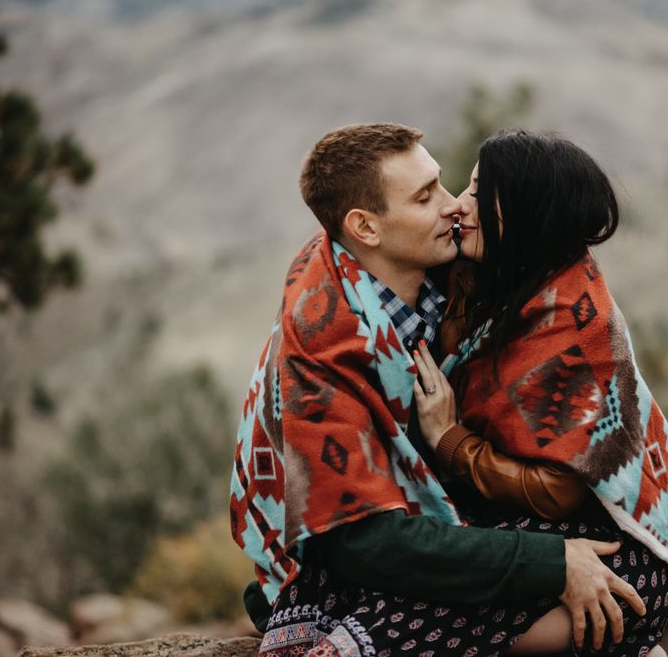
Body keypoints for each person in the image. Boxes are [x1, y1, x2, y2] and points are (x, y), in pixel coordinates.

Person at [230, 123, 646, 657]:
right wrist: (553, 564)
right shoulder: (320, 346)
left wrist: (454, 444)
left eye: (445, 184)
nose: (453, 206)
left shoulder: (455, 275)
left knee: (633, 564)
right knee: (617, 588)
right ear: (366, 228)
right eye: (426, 197)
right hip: (348, 560)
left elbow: (548, 244)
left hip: (447, 519)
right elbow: (362, 543)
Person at [409, 131, 668, 656]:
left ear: (523, 212)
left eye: (478, 192)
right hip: (521, 528)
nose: (459, 204)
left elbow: (557, 491)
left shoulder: (574, 322)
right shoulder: (482, 280)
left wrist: (448, 440)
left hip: (607, 550)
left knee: (417, 626)